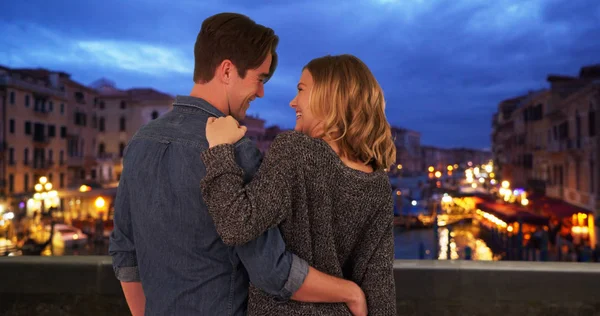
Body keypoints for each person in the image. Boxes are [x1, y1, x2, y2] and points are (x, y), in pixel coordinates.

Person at [109, 13, 367, 316]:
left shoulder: (141, 141)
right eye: (259, 78)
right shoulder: (235, 150)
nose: (261, 93)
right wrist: (350, 292)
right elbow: (272, 271)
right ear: (228, 71)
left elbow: (125, 255)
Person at [200, 54, 397, 315]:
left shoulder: (295, 150)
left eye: (301, 90)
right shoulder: (378, 184)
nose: (293, 102)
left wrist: (220, 148)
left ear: (329, 96)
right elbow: (380, 283)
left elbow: (237, 224)